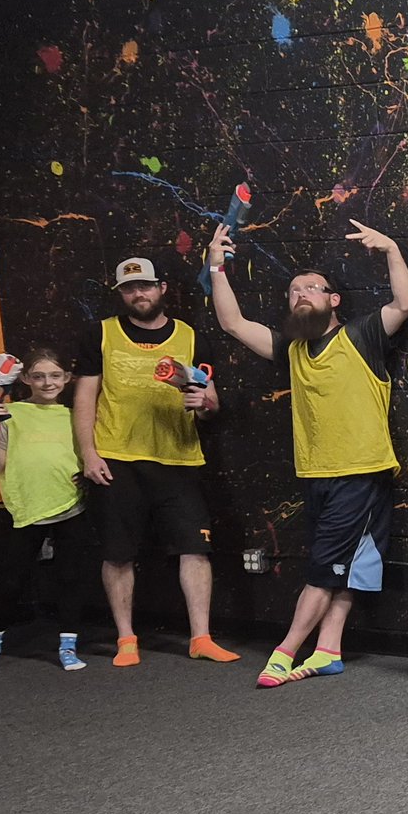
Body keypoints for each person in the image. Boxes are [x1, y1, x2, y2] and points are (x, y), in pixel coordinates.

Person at [205, 219, 408, 686]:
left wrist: (391, 248)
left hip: (361, 472)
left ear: (333, 300)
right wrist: (216, 268)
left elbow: (405, 303)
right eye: (293, 290)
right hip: (316, 473)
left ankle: (285, 651)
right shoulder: (292, 348)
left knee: (325, 568)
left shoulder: (361, 336)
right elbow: (232, 323)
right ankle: (328, 649)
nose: (300, 294)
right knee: (349, 562)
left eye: (312, 288)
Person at [73, 256, 240, 667]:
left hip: (178, 459)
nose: (139, 293)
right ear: (121, 294)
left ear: (162, 288)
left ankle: (200, 637)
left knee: (195, 550)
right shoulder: (101, 334)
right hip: (117, 460)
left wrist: (205, 403)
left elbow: (209, 400)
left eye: (145, 285)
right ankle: (126, 638)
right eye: (130, 288)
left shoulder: (190, 337)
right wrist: (88, 453)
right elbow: (83, 399)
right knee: (117, 553)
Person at [0, 346, 97, 674]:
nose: (47, 382)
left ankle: (68, 646)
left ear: (67, 378)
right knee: (13, 580)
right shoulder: (12, 413)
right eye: (38, 376)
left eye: (54, 375)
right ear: (25, 379)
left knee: (70, 578)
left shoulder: (75, 414)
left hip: (72, 506)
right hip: (28, 508)